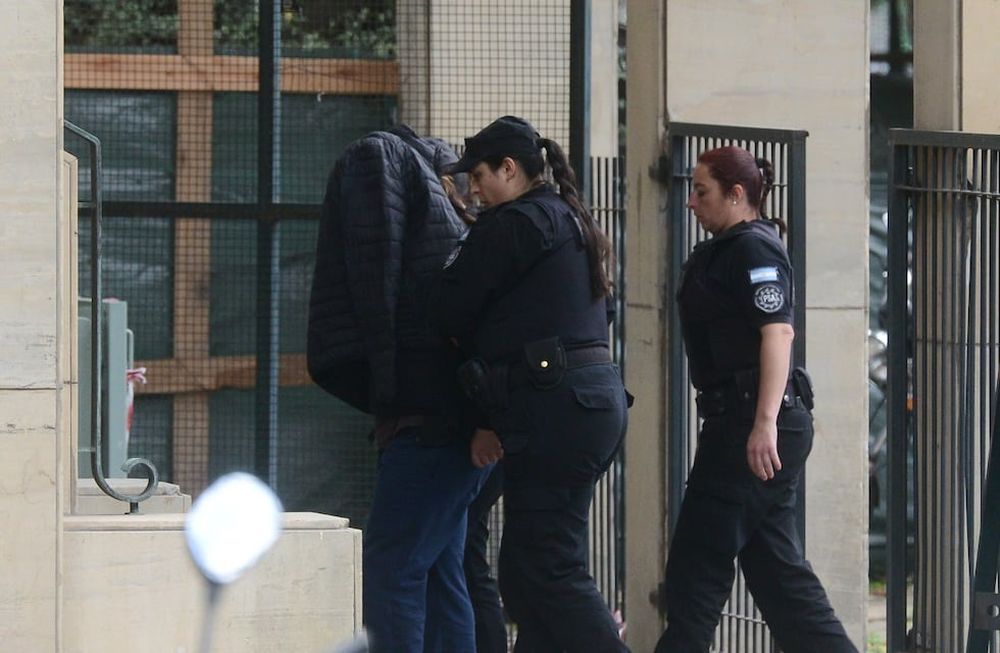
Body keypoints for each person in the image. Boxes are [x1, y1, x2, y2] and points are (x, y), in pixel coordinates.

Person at [429, 115, 629, 652]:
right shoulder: (570, 219)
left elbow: (450, 310)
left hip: (555, 410)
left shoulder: (515, 224)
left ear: (510, 169)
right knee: (526, 570)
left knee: (547, 566)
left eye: (479, 175)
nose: (473, 188)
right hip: (586, 404)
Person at [654, 145, 858, 653]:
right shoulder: (729, 247)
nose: (691, 202)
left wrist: (763, 422)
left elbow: (778, 334)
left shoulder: (754, 249)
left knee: (695, 572)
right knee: (778, 578)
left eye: (701, 191)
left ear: (736, 194)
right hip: (743, 421)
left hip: (753, 424)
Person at [307, 124, 490, 653]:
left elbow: (375, 278)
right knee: (438, 570)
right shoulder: (447, 208)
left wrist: (386, 390)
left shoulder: (377, 162)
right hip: (460, 419)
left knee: (392, 570)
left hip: (425, 422)